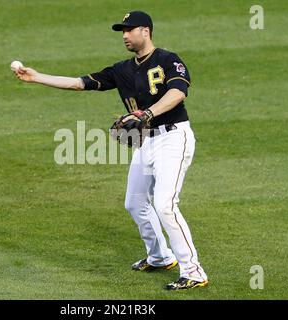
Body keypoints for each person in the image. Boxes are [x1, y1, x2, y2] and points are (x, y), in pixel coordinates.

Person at [13, 11, 208, 290]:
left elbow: (178, 93)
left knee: (165, 205)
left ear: (146, 30)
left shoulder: (168, 59)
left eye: (129, 30)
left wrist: (147, 113)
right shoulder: (122, 69)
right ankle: (160, 257)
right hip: (147, 141)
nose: (125, 35)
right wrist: (37, 77)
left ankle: (194, 271)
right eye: (122, 31)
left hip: (173, 138)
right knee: (135, 202)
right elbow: (80, 83)